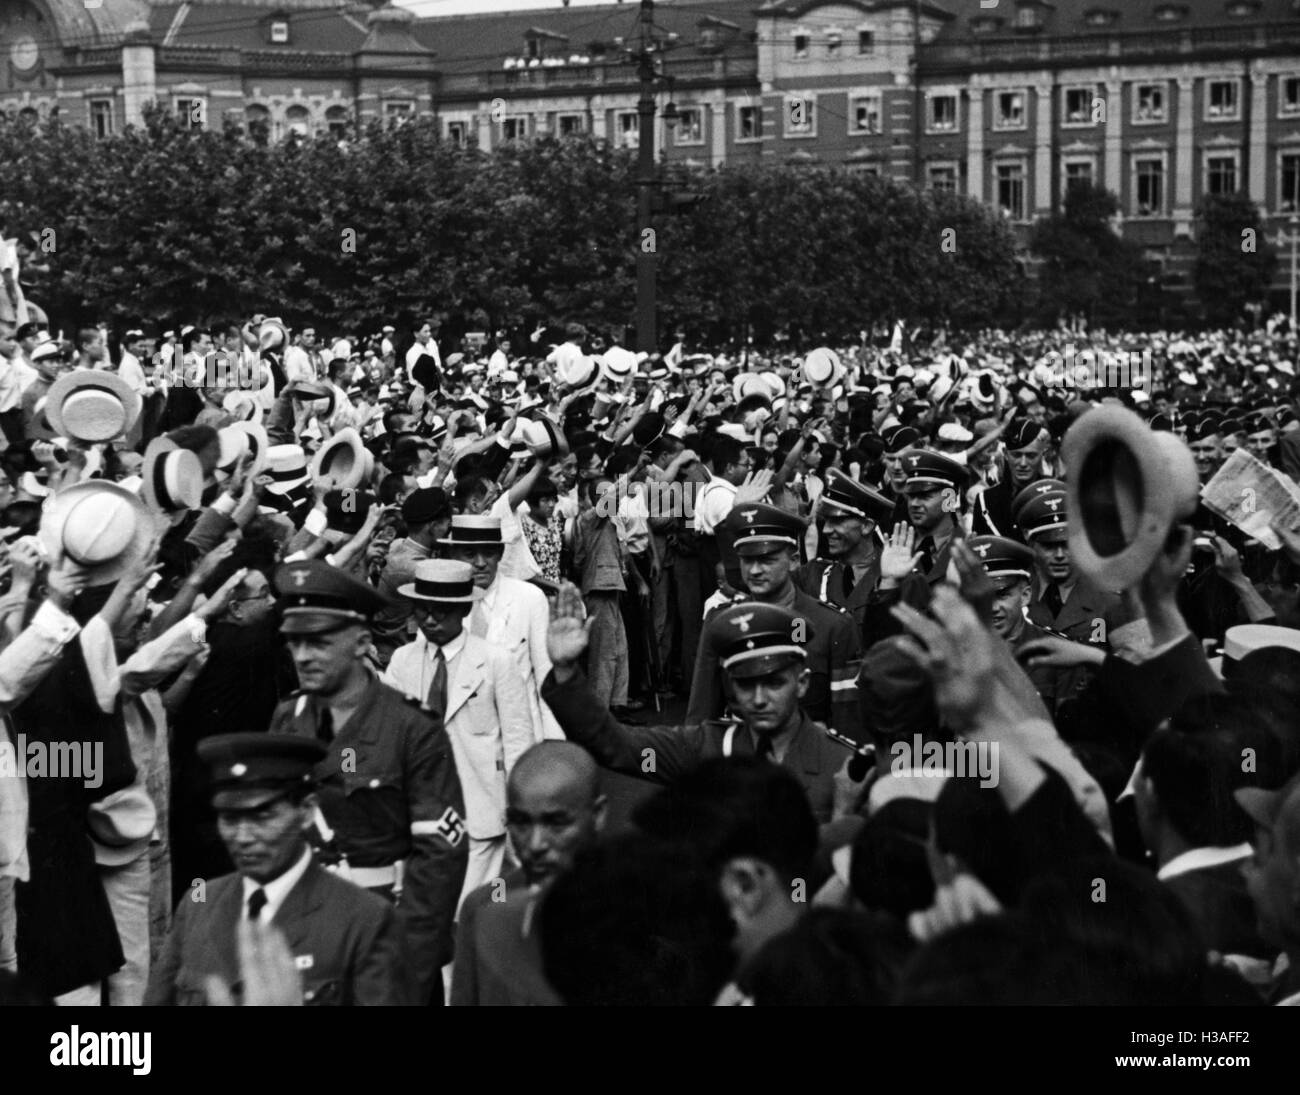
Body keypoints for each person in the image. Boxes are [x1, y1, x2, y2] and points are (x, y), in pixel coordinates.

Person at [267, 558, 468, 1005]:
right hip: (304, 940)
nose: (302, 656)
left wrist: (409, 965)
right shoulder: (288, 717)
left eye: (318, 642)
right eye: (295, 642)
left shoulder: (412, 728)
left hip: (386, 938)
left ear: (361, 643)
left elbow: (440, 860)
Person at [543, 587, 851, 823]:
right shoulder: (705, 748)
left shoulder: (842, 763)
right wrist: (567, 672)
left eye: (774, 683)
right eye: (745, 684)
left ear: (803, 683)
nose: (758, 699)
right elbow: (615, 745)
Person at [146, 734, 411, 1005]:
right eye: (229, 818)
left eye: (263, 817)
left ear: (306, 811)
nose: (243, 836)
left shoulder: (365, 920)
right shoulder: (198, 906)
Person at [383, 559, 533, 906]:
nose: (431, 620)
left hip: (482, 814)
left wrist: (519, 813)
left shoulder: (497, 661)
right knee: (424, 916)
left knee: (474, 912)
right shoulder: (402, 662)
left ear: (464, 609)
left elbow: (517, 741)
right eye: (422, 610)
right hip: (419, 818)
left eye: (441, 611)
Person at [688, 502, 864, 746]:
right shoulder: (721, 621)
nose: (755, 570)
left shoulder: (833, 625)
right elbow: (701, 713)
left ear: (793, 561)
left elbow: (847, 724)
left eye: (767, 560)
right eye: (747, 560)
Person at [450, 742, 606, 1006]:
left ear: (598, 815)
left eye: (556, 823)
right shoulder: (480, 910)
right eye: (521, 823)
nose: (535, 844)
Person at [440, 514, 559, 741]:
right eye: (469, 554)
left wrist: (553, 741)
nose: (480, 563)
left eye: (489, 553)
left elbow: (545, 675)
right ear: (453, 555)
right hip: (462, 737)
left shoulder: (529, 597)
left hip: (519, 732)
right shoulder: (440, 603)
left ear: (501, 554)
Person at [797, 468, 892, 635]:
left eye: (837, 521)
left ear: (867, 526)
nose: (826, 530)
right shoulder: (812, 574)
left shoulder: (895, 577)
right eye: (825, 521)